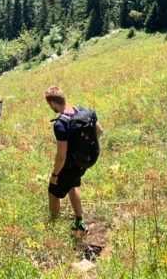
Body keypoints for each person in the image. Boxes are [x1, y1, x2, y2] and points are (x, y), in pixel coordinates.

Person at [45, 86, 103, 230]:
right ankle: (79, 220)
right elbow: (99, 130)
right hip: (83, 161)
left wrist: (55, 175)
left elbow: (61, 156)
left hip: (70, 164)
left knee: (53, 191)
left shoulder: (60, 124)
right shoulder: (81, 111)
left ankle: (54, 228)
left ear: (52, 103)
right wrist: (83, 148)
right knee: (73, 185)